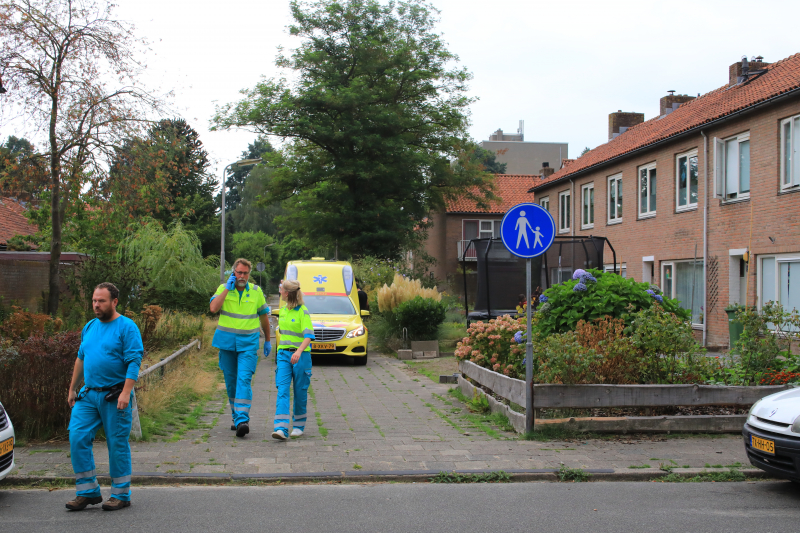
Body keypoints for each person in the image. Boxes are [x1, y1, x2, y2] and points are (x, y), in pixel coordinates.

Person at [66, 282, 143, 511]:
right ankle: (87, 491)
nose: (96, 305)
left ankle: (121, 495)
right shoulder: (89, 326)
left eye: (101, 301)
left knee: (116, 444)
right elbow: (81, 358)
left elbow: (133, 361)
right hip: (88, 394)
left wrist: (127, 392)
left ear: (114, 302)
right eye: (94, 300)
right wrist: (72, 388)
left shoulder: (127, 327)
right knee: (78, 437)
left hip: (115, 395)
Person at [209, 258, 271, 438]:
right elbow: (213, 308)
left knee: (243, 379)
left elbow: (264, 318)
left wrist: (267, 340)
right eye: (239, 273)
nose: (242, 276)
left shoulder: (256, 292)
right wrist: (227, 289)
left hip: (248, 345)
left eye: (245, 273)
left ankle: (243, 420)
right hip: (226, 344)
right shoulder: (223, 289)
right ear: (233, 273)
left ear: (249, 274)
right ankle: (236, 417)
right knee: (231, 382)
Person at [272, 279, 314, 440]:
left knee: (299, 391)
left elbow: (309, 336)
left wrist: (298, 351)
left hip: (301, 356)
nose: (280, 292)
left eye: (281, 290)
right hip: (283, 355)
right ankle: (281, 428)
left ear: (287, 293)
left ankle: (298, 425)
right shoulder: (283, 310)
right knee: (282, 390)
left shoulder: (303, 311)